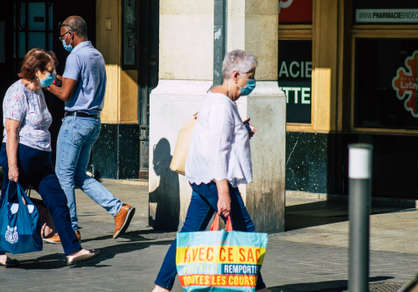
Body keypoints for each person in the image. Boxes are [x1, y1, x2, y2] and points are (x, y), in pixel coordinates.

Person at [152, 49, 268, 292]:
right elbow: (218, 151)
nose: (252, 82)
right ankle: (259, 288)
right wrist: (224, 191)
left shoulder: (216, 98)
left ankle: (161, 288)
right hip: (215, 180)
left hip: (205, 178)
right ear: (236, 75)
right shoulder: (221, 105)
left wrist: (243, 133)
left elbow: (219, 141)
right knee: (245, 232)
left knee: (190, 234)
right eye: (251, 76)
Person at [0, 48, 96, 266]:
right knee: (9, 203)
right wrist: (13, 166)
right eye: (50, 71)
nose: (53, 75)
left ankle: (72, 249)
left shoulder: (38, 92)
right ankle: (1, 250)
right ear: (36, 71)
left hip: (42, 160)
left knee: (58, 201)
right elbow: (12, 131)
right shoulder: (17, 93)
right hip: (22, 156)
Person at [45, 16, 135, 243]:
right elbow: (79, 86)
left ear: (71, 34)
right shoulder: (96, 55)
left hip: (75, 121)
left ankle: (70, 229)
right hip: (93, 121)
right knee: (77, 175)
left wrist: (46, 86)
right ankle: (118, 209)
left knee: (63, 175)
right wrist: (59, 79)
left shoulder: (75, 56)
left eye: (62, 34)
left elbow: (65, 94)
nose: (61, 39)